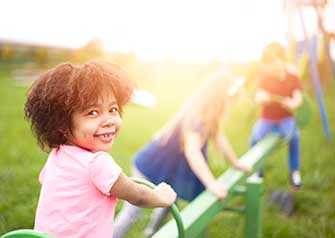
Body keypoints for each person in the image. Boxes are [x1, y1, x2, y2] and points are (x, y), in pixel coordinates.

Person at [24, 60, 177, 238]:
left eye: (113, 109)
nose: (109, 120)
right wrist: (162, 196)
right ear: (62, 125)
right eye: (93, 113)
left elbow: (47, 181)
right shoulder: (97, 163)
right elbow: (138, 196)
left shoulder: (58, 154)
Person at [114, 69, 252, 238]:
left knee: (168, 203)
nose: (230, 104)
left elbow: (219, 137)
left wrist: (235, 162)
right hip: (152, 165)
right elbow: (192, 150)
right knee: (133, 211)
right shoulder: (198, 115)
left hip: (169, 168)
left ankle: (151, 233)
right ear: (218, 98)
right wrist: (211, 184)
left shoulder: (210, 114)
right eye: (228, 100)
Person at [250, 42, 303, 191]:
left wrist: (293, 103)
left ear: (282, 60)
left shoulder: (292, 77)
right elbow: (258, 95)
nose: (270, 67)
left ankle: (294, 172)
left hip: (286, 118)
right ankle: (257, 172)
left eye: (273, 62)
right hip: (267, 119)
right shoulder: (265, 78)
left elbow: (298, 97)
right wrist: (262, 97)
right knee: (255, 137)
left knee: (294, 137)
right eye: (268, 63)